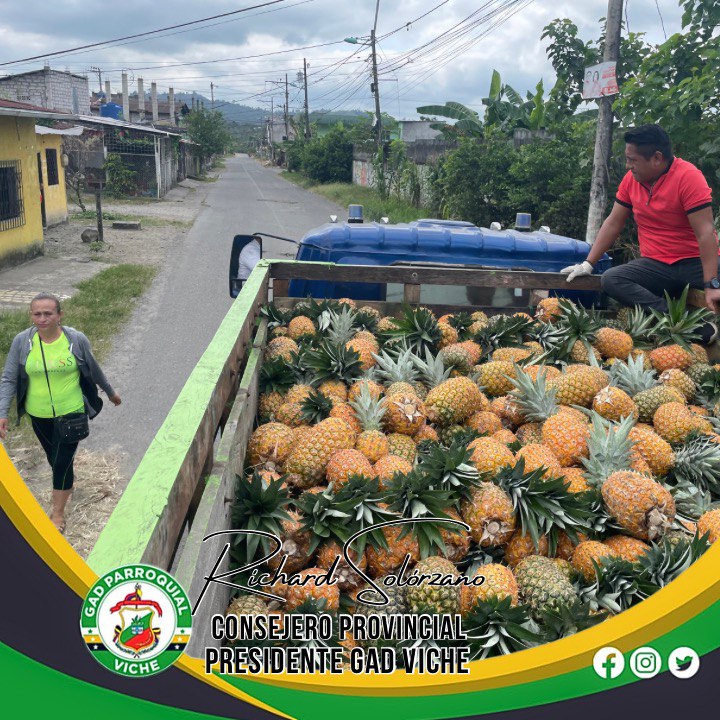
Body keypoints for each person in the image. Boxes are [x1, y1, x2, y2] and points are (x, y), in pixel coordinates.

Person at [561, 124, 720, 340]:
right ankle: (682, 324)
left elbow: (705, 233)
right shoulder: (631, 180)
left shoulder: (688, 177)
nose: (628, 166)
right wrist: (588, 264)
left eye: (632, 160)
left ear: (657, 158)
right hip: (657, 266)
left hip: (696, 263)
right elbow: (613, 222)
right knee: (612, 279)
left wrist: (712, 283)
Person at [0, 293, 121, 532]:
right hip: (38, 414)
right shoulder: (22, 341)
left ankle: (57, 513)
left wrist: (110, 392)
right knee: (55, 458)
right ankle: (66, 484)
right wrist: (2, 412)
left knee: (62, 462)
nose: (42, 318)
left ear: (60, 315)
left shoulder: (75, 339)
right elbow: (9, 378)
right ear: (31, 315)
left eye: (48, 313)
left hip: (72, 412)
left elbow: (94, 369)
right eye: (37, 314)